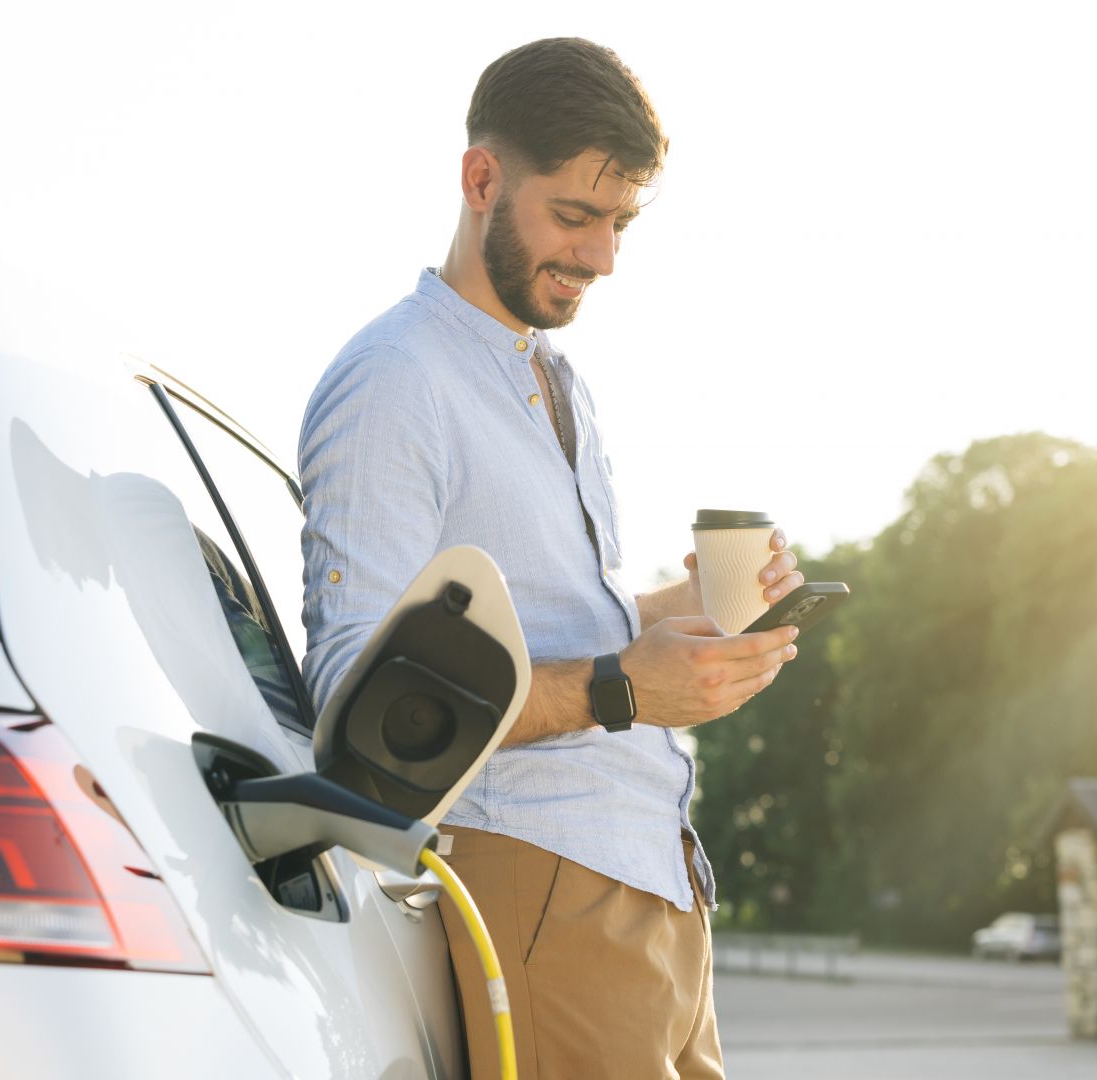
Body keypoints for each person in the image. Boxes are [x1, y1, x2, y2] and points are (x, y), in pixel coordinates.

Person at [298, 37, 804, 1080]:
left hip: (655, 885)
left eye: (618, 224)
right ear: (482, 178)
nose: (603, 257)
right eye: (575, 217)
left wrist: (695, 610)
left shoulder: (558, 380)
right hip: (540, 884)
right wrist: (625, 688)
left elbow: (564, 615)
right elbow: (358, 700)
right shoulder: (395, 381)